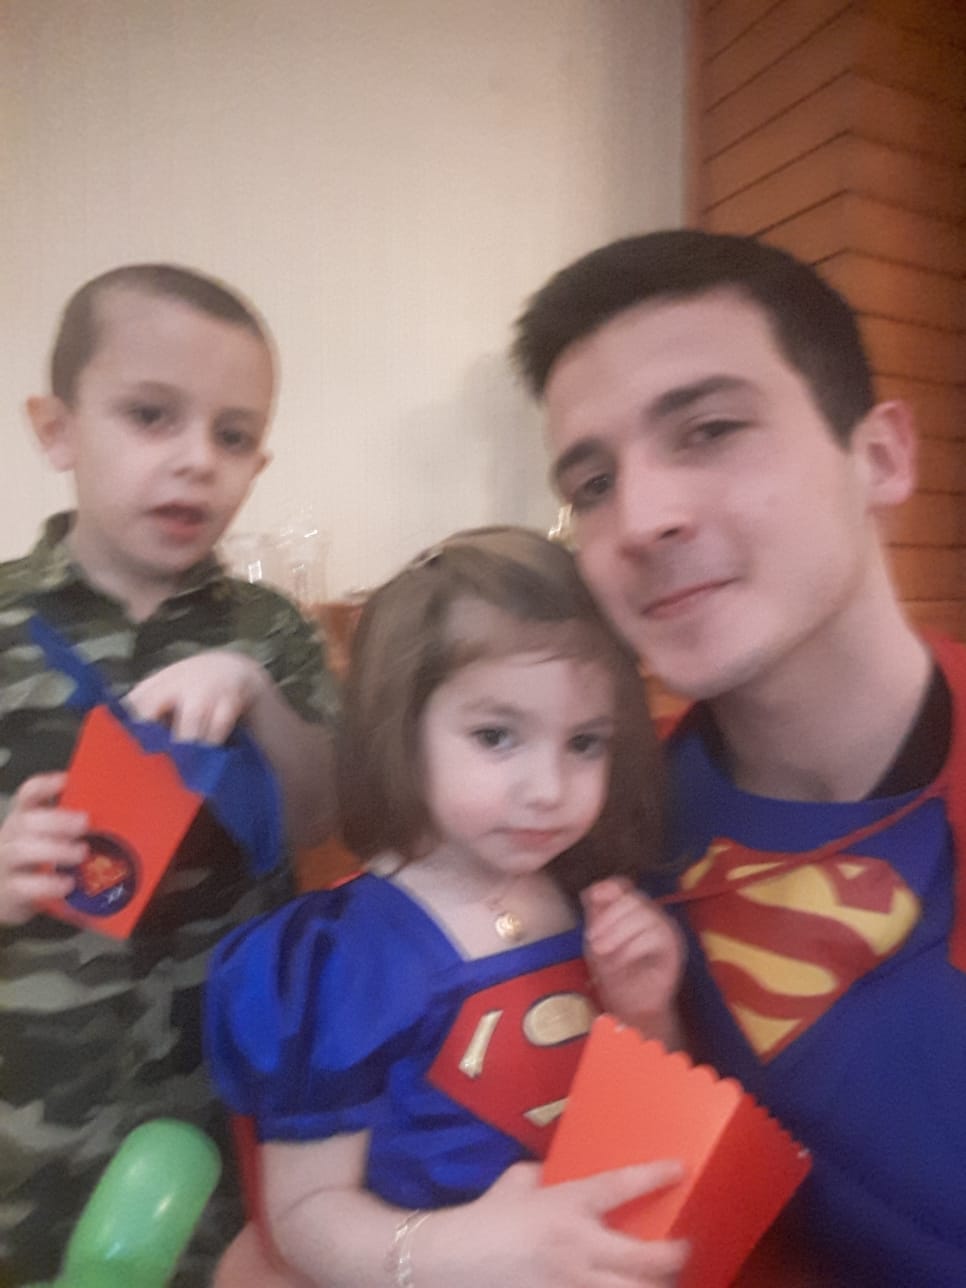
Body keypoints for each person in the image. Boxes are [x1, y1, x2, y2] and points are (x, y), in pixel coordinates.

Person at [511, 229, 966, 1286]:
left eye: (711, 430)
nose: (641, 519)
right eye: (592, 485)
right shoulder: (599, 856)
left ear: (881, 456)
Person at [206, 526, 690, 1288]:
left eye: (585, 743)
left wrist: (648, 1015)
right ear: (401, 731)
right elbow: (302, 1218)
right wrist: (464, 1253)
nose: (549, 789)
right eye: (497, 736)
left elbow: (639, 1116)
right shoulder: (340, 959)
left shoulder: (588, 894)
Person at [0, 264, 339, 1285]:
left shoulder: (271, 630)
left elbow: (328, 814)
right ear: (57, 430)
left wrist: (255, 691)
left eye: (233, 437)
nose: (197, 460)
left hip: (225, 1125)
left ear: (258, 462)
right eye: (151, 416)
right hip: (31, 1144)